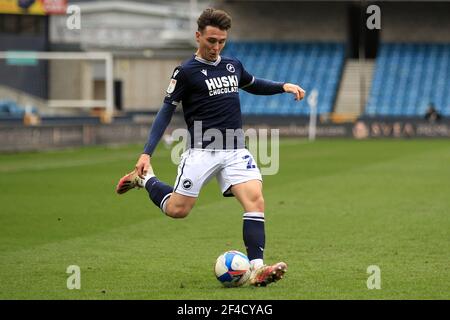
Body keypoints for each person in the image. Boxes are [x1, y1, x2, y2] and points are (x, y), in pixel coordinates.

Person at [116, 8, 305, 287]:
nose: (216, 47)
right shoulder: (185, 72)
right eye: (211, 41)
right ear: (198, 36)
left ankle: (257, 268)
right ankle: (145, 180)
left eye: (221, 41)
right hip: (202, 151)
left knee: (255, 200)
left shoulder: (232, 65)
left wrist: (283, 86)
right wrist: (146, 153)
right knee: (178, 210)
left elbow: (253, 84)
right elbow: (166, 111)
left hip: (236, 150)